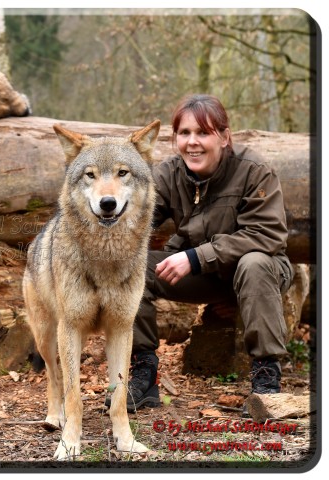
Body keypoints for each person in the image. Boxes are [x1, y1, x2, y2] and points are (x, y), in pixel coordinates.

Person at [112, 94, 294, 415]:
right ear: (175, 139)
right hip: (206, 279)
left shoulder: (255, 172)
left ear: (224, 137)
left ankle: (266, 378)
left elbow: (266, 235)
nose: (192, 143)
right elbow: (133, 225)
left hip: (258, 274)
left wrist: (194, 257)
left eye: (203, 133)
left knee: (253, 264)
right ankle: (144, 373)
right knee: (130, 265)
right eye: (184, 133)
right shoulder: (167, 174)